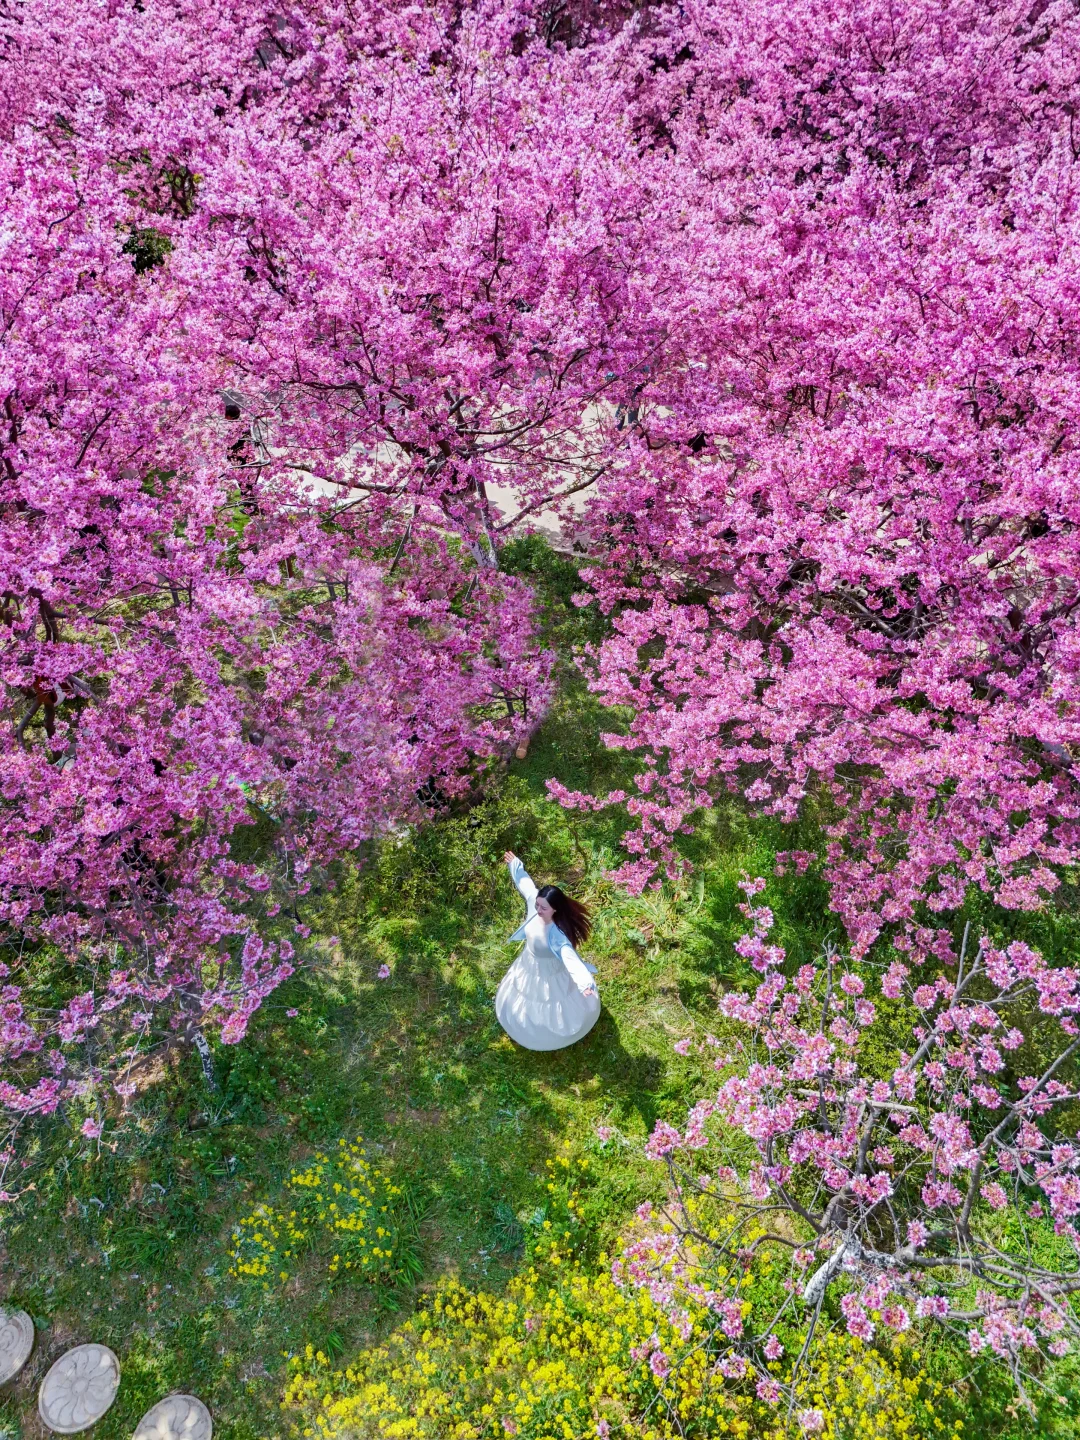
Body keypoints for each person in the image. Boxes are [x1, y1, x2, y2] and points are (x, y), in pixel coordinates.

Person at [495, 851, 601, 1051]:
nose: (538, 909)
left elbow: (571, 961)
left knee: (548, 1001)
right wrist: (515, 865)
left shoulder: (557, 935)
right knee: (523, 994)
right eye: (537, 905)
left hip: (549, 972)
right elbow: (526, 885)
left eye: (543, 907)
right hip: (529, 964)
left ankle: (546, 1034)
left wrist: (584, 983)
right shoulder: (535, 905)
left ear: (555, 909)